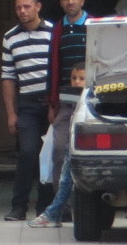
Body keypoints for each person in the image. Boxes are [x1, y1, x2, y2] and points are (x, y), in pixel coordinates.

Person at [0, 0, 54, 221]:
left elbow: (58, 72)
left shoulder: (54, 32)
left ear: (38, 7)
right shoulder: (10, 37)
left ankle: (44, 207)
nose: (22, 11)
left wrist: (55, 105)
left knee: (49, 154)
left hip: (51, 103)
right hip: (27, 104)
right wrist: (11, 113)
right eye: (18, 7)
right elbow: (8, 77)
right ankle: (18, 207)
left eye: (27, 6)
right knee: (28, 153)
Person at [44, 0, 90, 208]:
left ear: (82, 1)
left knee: (88, 153)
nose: (70, 2)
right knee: (60, 150)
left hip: (90, 103)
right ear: (61, 2)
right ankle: (60, 208)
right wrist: (52, 104)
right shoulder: (58, 29)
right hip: (65, 103)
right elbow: (52, 67)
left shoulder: (93, 26)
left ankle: (87, 204)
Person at [31, 63, 86, 228]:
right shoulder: (66, 103)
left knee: (68, 166)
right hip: (67, 113)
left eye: (81, 79)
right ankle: (57, 210)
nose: (76, 82)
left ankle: (55, 211)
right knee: (63, 159)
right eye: (74, 78)